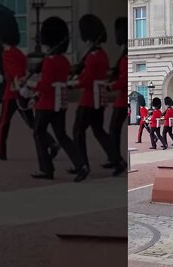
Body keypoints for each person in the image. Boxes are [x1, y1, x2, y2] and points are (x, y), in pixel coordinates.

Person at [0, 11, 59, 161]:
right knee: (32, 122)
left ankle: (0, 152)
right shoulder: (19, 52)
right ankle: (51, 142)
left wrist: (14, 84)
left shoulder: (7, 53)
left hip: (12, 91)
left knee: (3, 122)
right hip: (22, 91)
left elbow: (14, 74)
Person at [26, 16, 89, 182]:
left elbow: (45, 86)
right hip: (60, 103)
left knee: (38, 133)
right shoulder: (63, 60)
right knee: (62, 135)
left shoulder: (50, 61)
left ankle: (46, 168)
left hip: (46, 104)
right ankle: (81, 164)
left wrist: (29, 86)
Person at [67, 14, 114, 171]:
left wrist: (72, 84)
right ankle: (116, 159)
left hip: (88, 100)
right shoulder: (102, 55)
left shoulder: (93, 57)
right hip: (99, 99)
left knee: (78, 131)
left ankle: (82, 164)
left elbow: (87, 80)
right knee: (98, 130)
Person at [105, 17, 128, 176]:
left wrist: (110, 86)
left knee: (114, 130)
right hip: (124, 99)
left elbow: (125, 79)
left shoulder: (127, 54)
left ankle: (117, 160)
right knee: (114, 130)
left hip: (123, 100)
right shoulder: (124, 51)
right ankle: (114, 159)